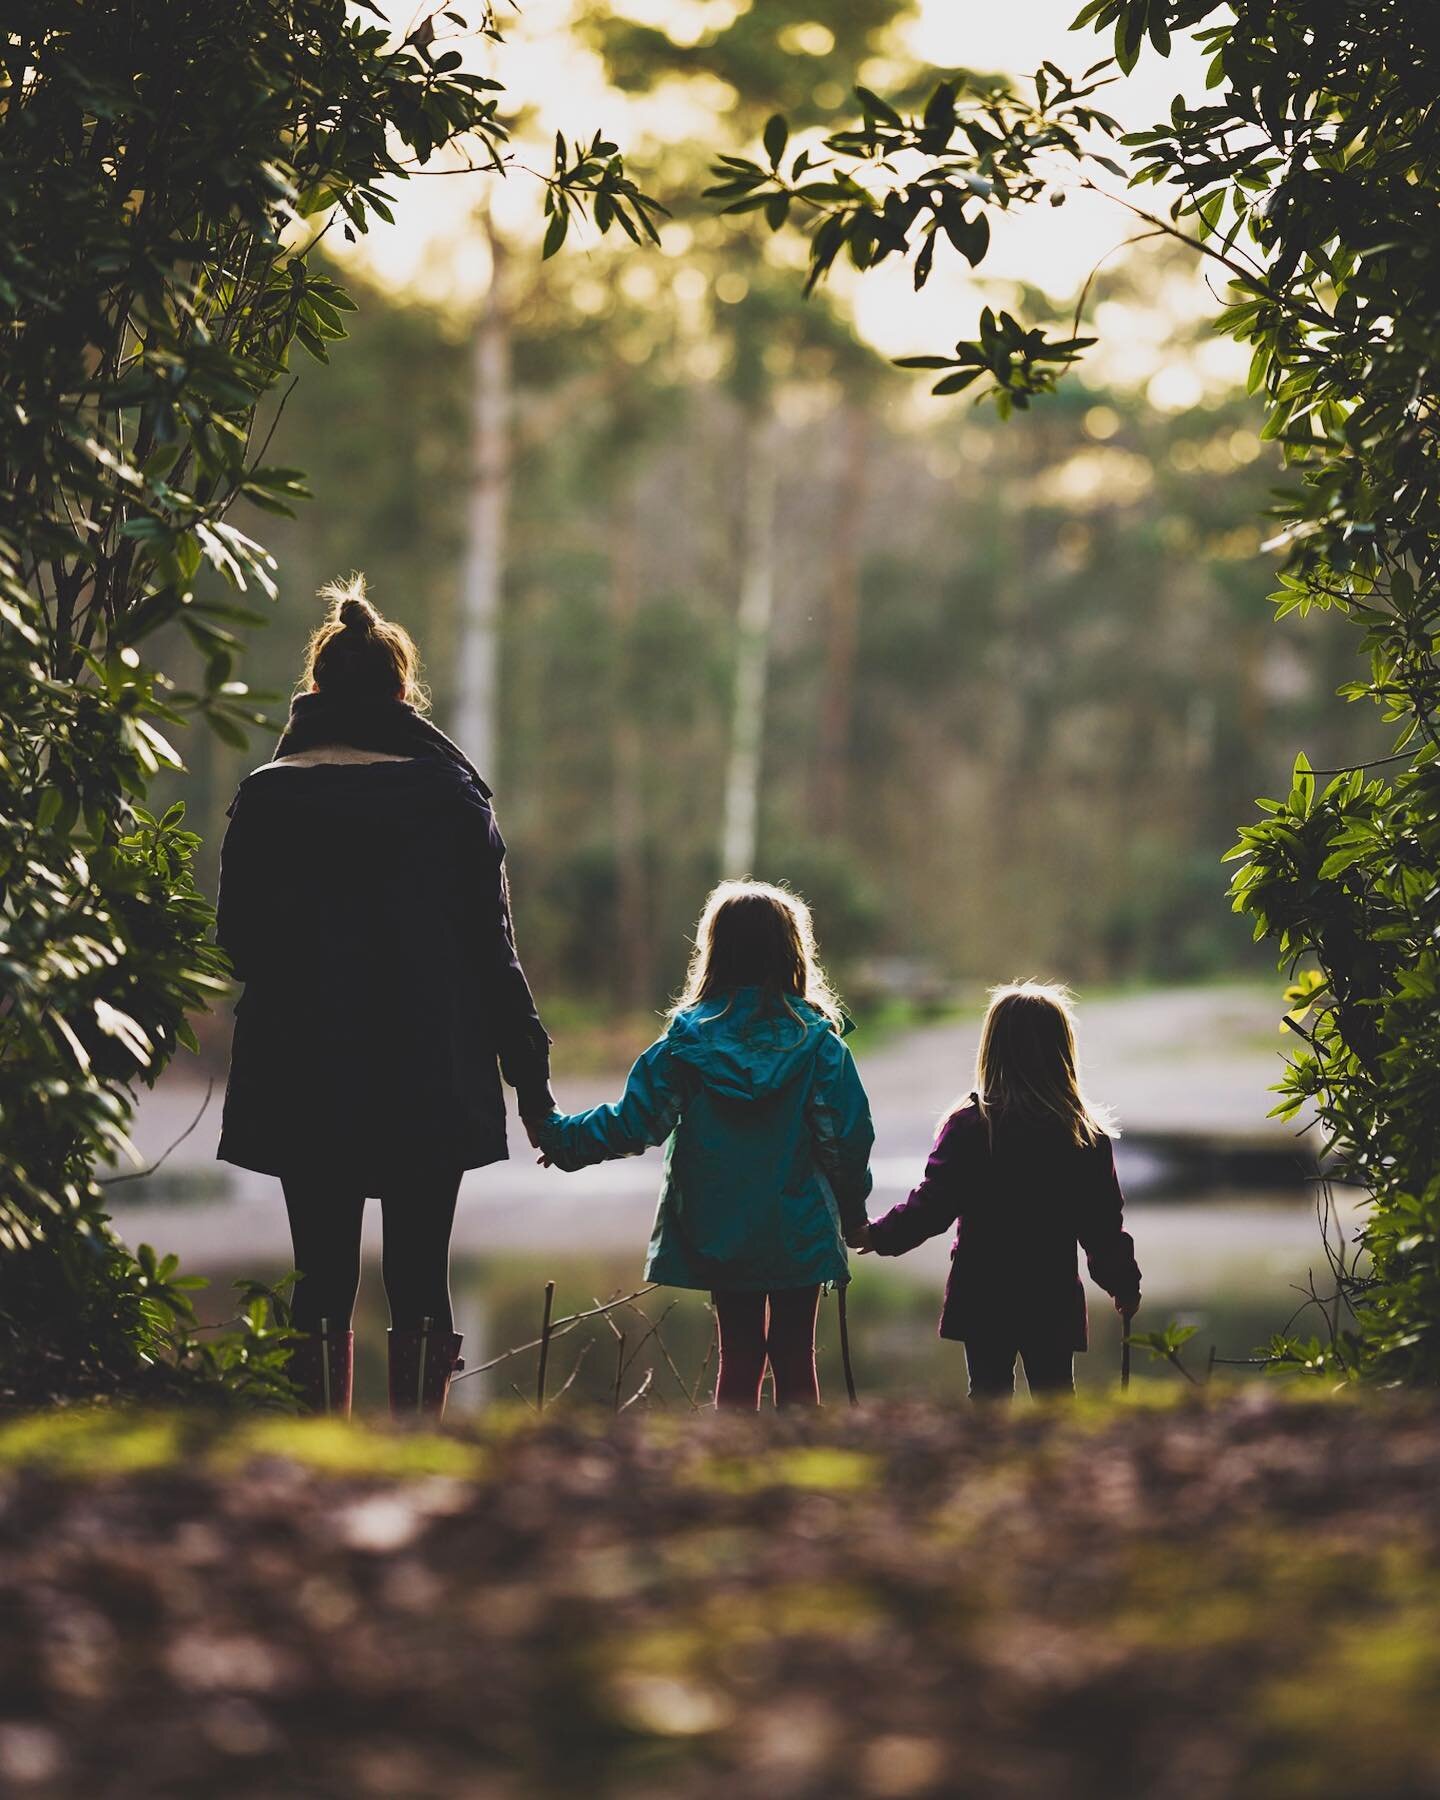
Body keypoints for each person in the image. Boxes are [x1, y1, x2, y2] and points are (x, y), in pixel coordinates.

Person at [215, 575, 554, 1419]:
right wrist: (533, 1080)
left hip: (303, 1065)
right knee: (419, 1276)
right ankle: (417, 1449)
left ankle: (317, 1455)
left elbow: (237, 945)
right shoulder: (451, 798)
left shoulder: (264, 797)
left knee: (318, 1278)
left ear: (318, 690)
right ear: (404, 693)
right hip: (427, 1068)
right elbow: (492, 952)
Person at [537, 880, 874, 1409]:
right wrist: (853, 1212)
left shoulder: (686, 1044)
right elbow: (847, 1139)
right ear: (792, 953)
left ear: (715, 951)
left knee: (738, 1354)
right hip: (799, 1228)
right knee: (794, 1352)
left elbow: (634, 1123)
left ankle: (732, 1469)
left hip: (720, 1228)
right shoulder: (819, 1046)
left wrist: (564, 1140)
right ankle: (799, 1465)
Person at [858, 981, 1140, 1401]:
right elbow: (1101, 1225)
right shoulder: (1081, 1137)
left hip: (984, 1291)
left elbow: (933, 1205)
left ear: (992, 1050)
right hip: (1051, 1293)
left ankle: (988, 1464)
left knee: (987, 1395)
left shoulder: (973, 1128)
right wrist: (1123, 1282)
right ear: (1063, 1053)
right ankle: (1055, 1466)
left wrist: (879, 1234)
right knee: (1056, 1395)